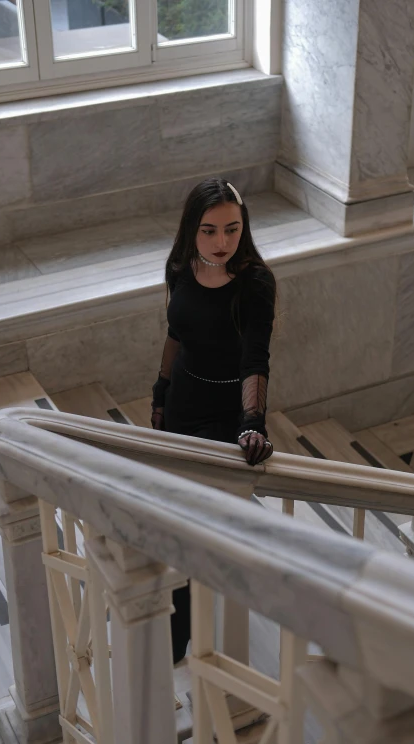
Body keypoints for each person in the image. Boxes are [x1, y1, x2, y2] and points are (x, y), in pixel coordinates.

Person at [151, 177, 276, 663]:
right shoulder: (180, 267)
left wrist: (252, 421)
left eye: (232, 229)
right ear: (191, 230)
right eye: (209, 231)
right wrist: (160, 390)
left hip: (226, 415)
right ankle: (171, 619)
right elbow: (174, 332)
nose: (222, 243)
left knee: (193, 522)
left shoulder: (255, 284)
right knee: (174, 512)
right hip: (182, 400)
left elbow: (255, 360)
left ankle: (178, 631)